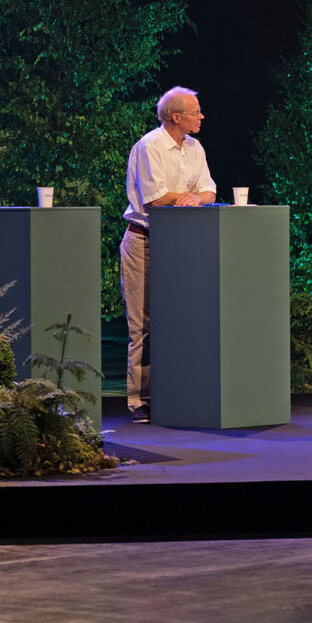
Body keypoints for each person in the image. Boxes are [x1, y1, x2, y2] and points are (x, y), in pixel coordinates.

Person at [120, 86, 218, 423]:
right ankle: (140, 399)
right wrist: (185, 197)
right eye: (195, 112)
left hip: (181, 245)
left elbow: (209, 190)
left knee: (180, 320)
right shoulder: (150, 146)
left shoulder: (195, 148)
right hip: (145, 243)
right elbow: (155, 198)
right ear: (176, 117)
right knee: (143, 324)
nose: (201, 116)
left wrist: (196, 198)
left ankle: (177, 393)